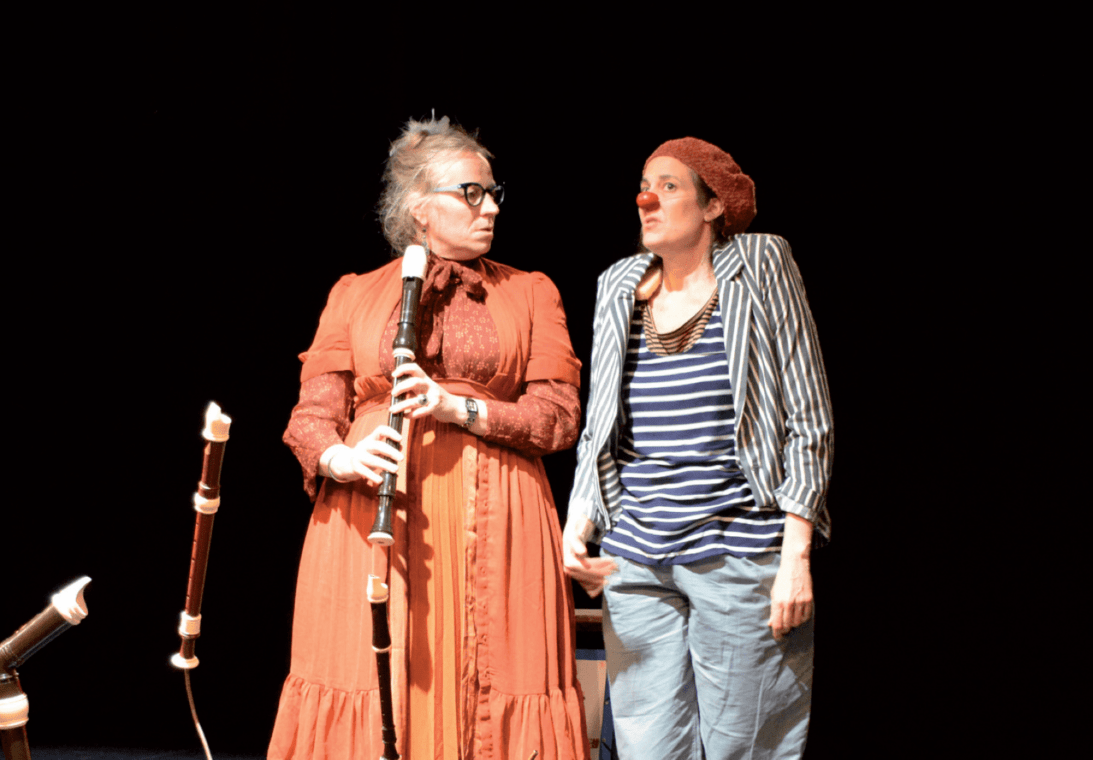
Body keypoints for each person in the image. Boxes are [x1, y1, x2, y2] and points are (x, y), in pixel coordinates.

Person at [270, 116, 590, 760]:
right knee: (373, 680)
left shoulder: (530, 292)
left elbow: (557, 416)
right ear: (420, 206)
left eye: (494, 193)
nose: (490, 207)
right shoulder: (354, 294)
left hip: (501, 520)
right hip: (369, 517)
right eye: (471, 193)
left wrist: (460, 409)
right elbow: (311, 417)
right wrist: (341, 457)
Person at [562, 137, 833, 759]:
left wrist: (796, 556)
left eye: (669, 186)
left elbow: (808, 417)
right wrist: (580, 522)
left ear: (713, 206)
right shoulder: (618, 285)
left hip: (737, 551)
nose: (647, 199)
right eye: (643, 186)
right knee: (647, 748)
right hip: (636, 557)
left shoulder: (760, 264)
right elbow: (602, 423)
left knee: (747, 747)